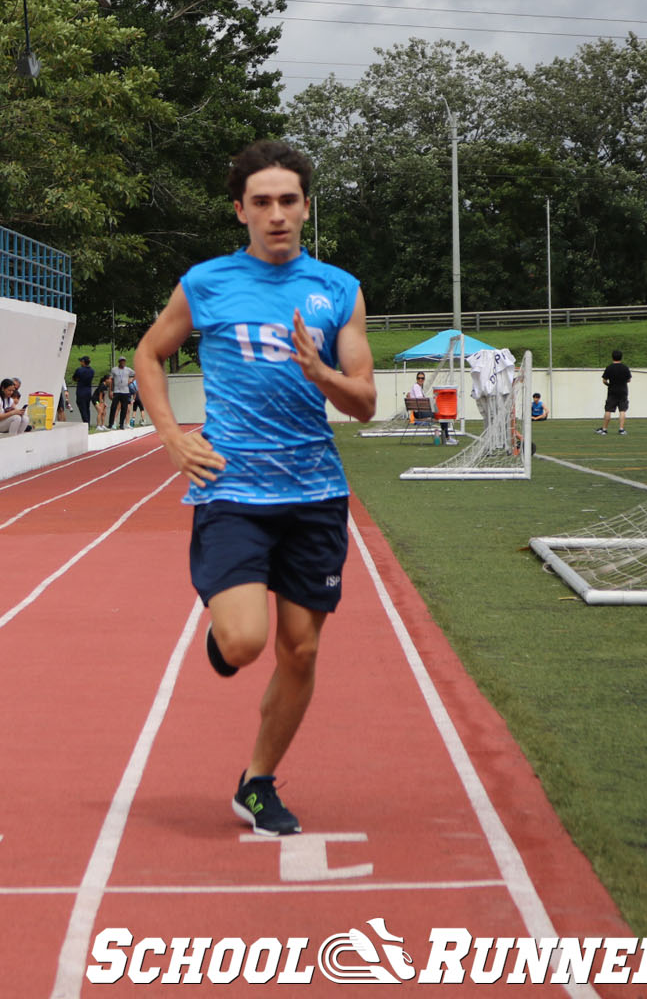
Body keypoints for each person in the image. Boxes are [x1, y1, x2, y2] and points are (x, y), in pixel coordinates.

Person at [134, 138, 376, 837]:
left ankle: (257, 782)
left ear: (306, 208)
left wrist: (320, 372)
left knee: (300, 650)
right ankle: (225, 640)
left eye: (289, 201)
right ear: (240, 210)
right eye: (262, 202)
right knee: (244, 644)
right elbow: (150, 353)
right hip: (232, 487)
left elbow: (363, 401)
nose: (277, 214)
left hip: (315, 494)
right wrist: (172, 437)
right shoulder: (206, 283)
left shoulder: (338, 290)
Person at [597, 349, 631, 435]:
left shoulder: (609, 368)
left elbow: (604, 380)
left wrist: (609, 385)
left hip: (612, 391)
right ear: (621, 357)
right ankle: (621, 429)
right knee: (622, 410)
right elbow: (629, 380)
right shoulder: (625, 367)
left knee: (608, 410)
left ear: (612, 357)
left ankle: (604, 429)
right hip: (623, 391)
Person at [108, 356, 134, 430]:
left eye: (124, 361)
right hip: (116, 391)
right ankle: (111, 423)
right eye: (121, 361)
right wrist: (111, 390)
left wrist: (132, 380)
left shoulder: (128, 370)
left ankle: (121, 424)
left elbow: (136, 373)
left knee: (124, 408)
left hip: (125, 391)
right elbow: (111, 380)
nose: (123, 362)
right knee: (113, 407)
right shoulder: (114, 369)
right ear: (119, 362)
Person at [72, 355, 95, 423]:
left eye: (81, 361)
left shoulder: (79, 370)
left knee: (82, 408)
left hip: (81, 391)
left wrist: (78, 379)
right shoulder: (92, 371)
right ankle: (88, 423)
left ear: (83, 362)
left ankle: (85, 422)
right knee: (87, 408)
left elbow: (74, 378)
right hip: (88, 391)